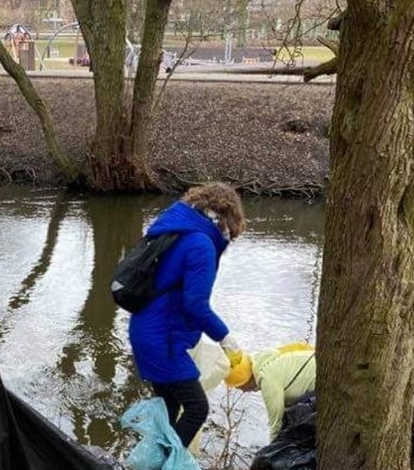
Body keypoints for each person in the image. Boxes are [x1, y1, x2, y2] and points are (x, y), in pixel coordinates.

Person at [128, 182, 247, 448]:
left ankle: (155, 467)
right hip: (163, 340)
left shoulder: (177, 229)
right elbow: (195, 304)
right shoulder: (201, 245)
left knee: (169, 405)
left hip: (145, 329)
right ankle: (168, 469)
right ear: (227, 218)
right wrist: (226, 338)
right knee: (196, 408)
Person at [225, 343, 316, 440]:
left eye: (239, 387)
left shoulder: (267, 380)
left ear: (246, 380)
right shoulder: (263, 360)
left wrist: (272, 450)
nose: (242, 391)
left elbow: (276, 422)